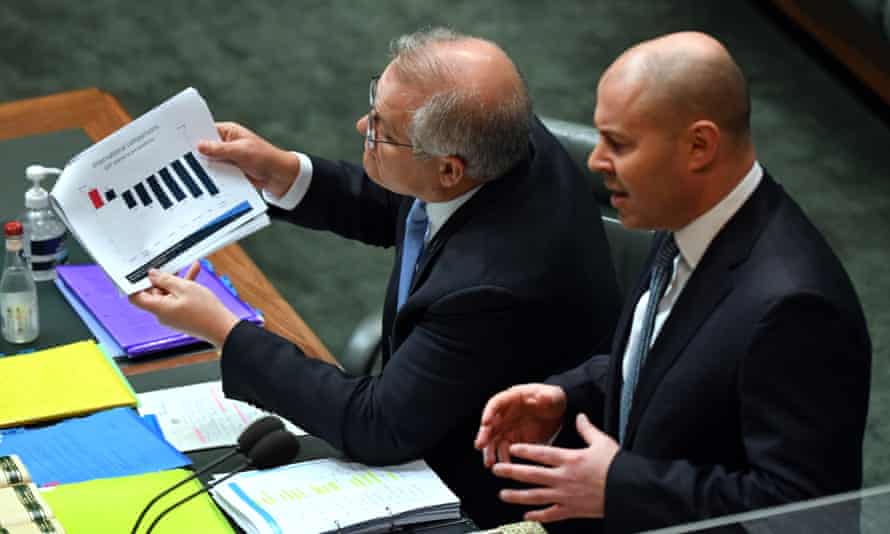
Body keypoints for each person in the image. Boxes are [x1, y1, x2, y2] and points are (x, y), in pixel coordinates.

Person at [131, 28, 622, 527]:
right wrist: (283, 172)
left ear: (451, 169)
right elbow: (407, 198)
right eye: (375, 104)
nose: (361, 123)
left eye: (380, 131)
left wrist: (224, 330)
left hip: (482, 493)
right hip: (436, 404)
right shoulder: (494, 130)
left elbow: (377, 427)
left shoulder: (490, 286)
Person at [474, 31, 872, 533]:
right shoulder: (683, 218)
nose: (596, 161)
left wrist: (621, 487)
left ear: (699, 146)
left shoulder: (797, 306)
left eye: (618, 143)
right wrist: (569, 396)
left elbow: (805, 517)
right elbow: (673, 361)